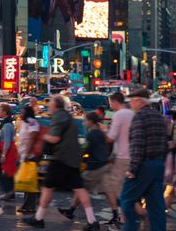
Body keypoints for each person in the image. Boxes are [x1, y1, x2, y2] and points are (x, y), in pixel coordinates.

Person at [25, 95, 99, 230]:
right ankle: (92, 221)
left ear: (55, 105)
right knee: (80, 188)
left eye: (50, 103)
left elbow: (54, 139)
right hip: (72, 158)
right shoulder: (68, 117)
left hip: (61, 158)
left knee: (47, 186)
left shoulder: (59, 116)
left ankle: (39, 218)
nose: (48, 106)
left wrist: (43, 135)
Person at [118, 87, 168, 231]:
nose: (130, 105)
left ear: (139, 101)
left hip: (144, 164)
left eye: (132, 101)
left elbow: (137, 144)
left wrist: (132, 169)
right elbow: (165, 143)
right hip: (158, 164)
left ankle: (131, 227)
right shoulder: (159, 116)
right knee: (156, 204)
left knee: (126, 198)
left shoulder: (139, 117)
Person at [59, 112, 112, 224]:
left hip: (95, 166)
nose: (83, 123)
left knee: (80, 187)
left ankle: (88, 218)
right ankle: (71, 211)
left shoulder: (92, 134)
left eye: (85, 121)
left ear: (91, 122)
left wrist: (75, 155)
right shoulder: (100, 133)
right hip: (103, 164)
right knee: (106, 191)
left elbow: (85, 149)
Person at [104, 91, 134, 227]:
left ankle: (128, 217)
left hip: (122, 156)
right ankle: (123, 217)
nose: (110, 106)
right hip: (132, 155)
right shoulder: (131, 113)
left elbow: (111, 138)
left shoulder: (119, 115)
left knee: (115, 188)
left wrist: (104, 130)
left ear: (115, 102)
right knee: (125, 188)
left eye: (110, 103)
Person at [17, 105, 42, 214]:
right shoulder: (24, 123)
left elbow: (32, 137)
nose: (20, 114)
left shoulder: (32, 122)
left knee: (29, 182)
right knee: (28, 181)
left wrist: (27, 153)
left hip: (30, 156)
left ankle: (29, 206)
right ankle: (32, 202)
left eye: (22, 112)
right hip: (24, 155)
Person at [0, 102, 16, 200]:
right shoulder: (6, 123)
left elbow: (7, 141)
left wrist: (3, 155)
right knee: (8, 172)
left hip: (8, 150)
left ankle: (8, 191)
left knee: (0, 170)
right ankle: (10, 191)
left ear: (5, 112)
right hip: (8, 149)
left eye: (0, 110)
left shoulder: (7, 125)